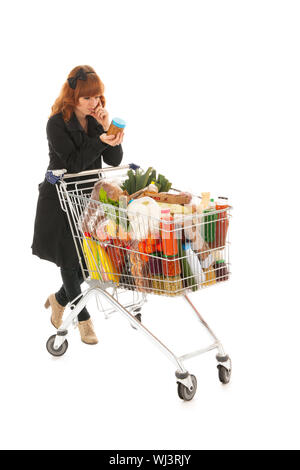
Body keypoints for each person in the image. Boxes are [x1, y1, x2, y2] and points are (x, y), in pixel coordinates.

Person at [31, 65, 124, 345]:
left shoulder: (96, 122)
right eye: (87, 98)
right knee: (71, 261)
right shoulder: (56, 123)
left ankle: (59, 300)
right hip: (60, 199)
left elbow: (114, 160)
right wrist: (98, 140)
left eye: (97, 96)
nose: (94, 102)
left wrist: (108, 131)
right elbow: (72, 164)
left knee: (87, 262)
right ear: (73, 98)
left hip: (88, 199)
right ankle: (83, 320)